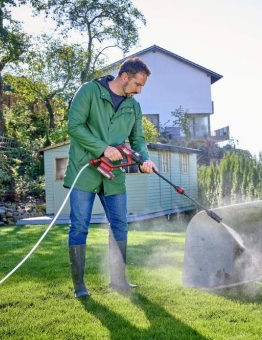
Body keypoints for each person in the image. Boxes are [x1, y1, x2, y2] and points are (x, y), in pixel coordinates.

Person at [63, 57, 157, 298]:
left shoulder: (133, 106)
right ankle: (79, 286)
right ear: (124, 76)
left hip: (113, 174)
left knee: (120, 226)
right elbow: (74, 126)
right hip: (85, 169)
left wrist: (144, 159)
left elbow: (138, 140)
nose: (139, 90)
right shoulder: (89, 92)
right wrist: (102, 148)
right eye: (138, 84)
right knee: (79, 227)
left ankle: (118, 280)